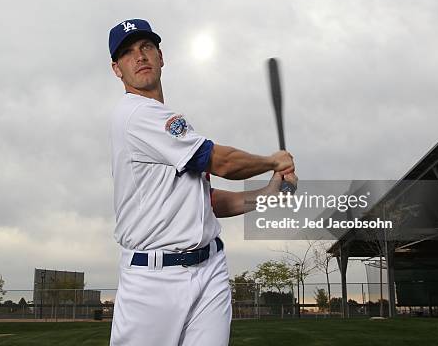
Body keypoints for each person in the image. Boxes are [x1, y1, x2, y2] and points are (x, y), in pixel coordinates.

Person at [108, 18, 297, 346]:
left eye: (146, 47)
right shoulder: (137, 115)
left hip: (209, 270)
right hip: (153, 281)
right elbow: (219, 162)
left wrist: (268, 192)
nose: (139, 56)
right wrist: (272, 161)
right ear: (117, 69)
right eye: (127, 53)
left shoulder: (167, 125)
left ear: (160, 56)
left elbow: (206, 202)